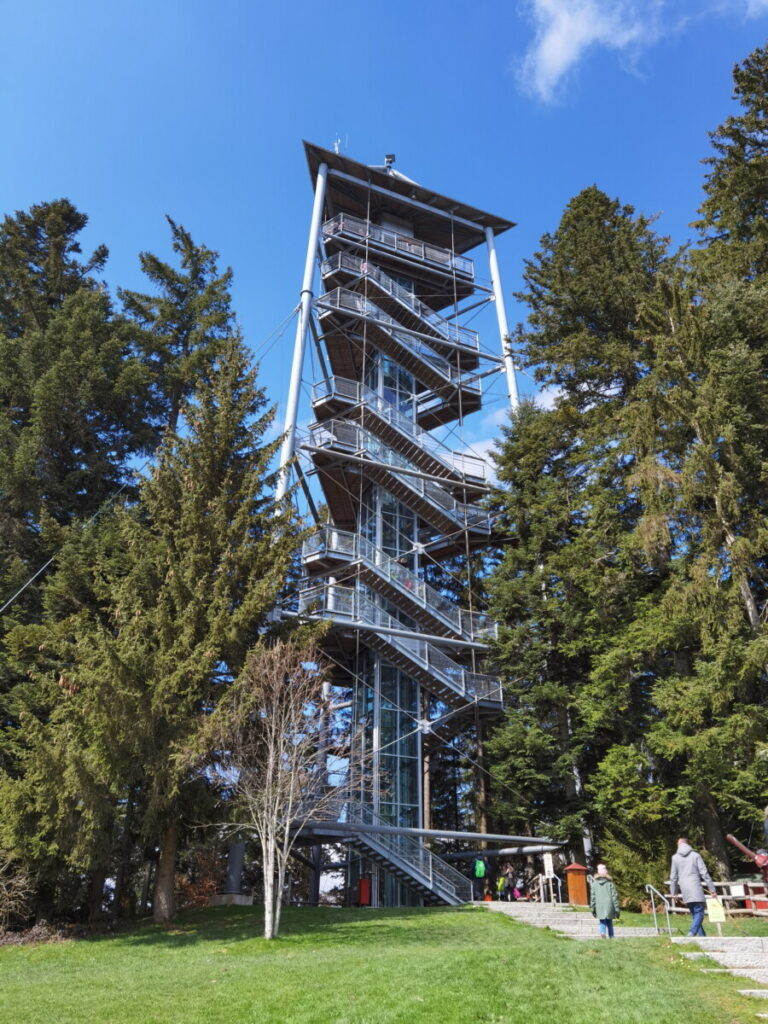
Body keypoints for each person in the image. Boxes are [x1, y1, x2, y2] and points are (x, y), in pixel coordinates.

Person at [669, 837, 716, 937]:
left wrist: (674, 893)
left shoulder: (675, 858)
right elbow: (704, 873)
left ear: (679, 845)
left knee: (695, 914)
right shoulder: (695, 855)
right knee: (700, 913)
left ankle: (703, 938)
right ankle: (691, 933)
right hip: (696, 888)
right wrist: (712, 889)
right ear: (688, 844)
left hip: (685, 890)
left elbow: (673, 877)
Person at [589, 863, 621, 938]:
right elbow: (614, 897)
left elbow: (593, 897)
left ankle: (602, 932)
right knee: (609, 923)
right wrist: (617, 909)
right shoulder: (610, 884)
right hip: (609, 905)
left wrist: (592, 908)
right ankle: (611, 936)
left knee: (602, 922)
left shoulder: (594, 884)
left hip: (599, 905)